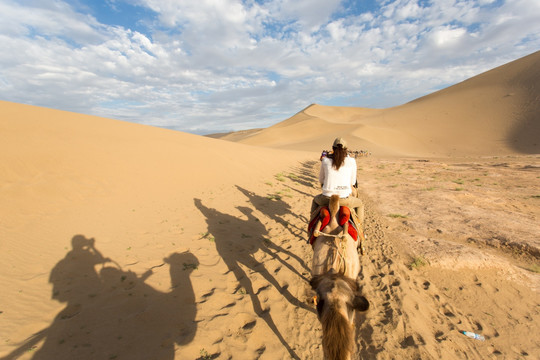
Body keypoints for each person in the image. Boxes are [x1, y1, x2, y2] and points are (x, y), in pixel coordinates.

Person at [311, 137, 364, 222]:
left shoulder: (325, 160)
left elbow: (321, 180)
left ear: (333, 148)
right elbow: (353, 182)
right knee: (360, 204)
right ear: (346, 149)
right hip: (344, 199)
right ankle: (360, 229)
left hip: (326, 198)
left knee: (315, 200)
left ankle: (311, 225)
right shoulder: (351, 161)